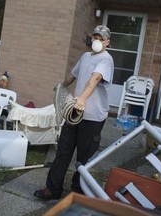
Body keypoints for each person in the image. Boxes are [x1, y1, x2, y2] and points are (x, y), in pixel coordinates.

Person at [34, 25, 114, 200]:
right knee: (63, 150)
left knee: (84, 158)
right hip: (74, 113)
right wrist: (61, 88)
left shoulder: (106, 60)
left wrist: (83, 99)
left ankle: (78, 192)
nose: (98, 41)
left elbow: (95, 78)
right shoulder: (85, 56)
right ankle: (53, 189)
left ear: (107, 42)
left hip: (93, 117)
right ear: (91, 39)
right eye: (95, 37)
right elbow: (73, 75)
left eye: (101, 39)